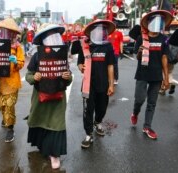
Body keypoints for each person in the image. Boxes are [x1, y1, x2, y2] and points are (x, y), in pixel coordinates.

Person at [25, 23, 72, 169]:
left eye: (55, 36)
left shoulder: (62, 56)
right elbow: (28, 75)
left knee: (56, 124)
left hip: (58, 98)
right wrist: (35, 77)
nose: (53, 41)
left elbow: (69, 79)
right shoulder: (37, 56)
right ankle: (43, 147)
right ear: (43, 40)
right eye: (49, 37)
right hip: (41, 97)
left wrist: (67, 76)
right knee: (41, 121)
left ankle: (55, 154)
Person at [130, 10, 172, 139]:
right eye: (155, 20)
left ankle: (147, 126)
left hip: (156, 76)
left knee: (152, 103)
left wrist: (166, 79)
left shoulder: (164, 39)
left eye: (160, 21)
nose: (157, 23)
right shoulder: (141, 38)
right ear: (148, 23)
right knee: (140, 99)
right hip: (142, 74)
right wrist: (140, 52)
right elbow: (137, 56)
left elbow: (164, 58)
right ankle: (135, 113)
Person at [77, 19, 115, 149]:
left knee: (102, 108)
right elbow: (79, 63)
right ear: (91, 32)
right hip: (88, 84)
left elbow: (110, 66)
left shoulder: (108, 47)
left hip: (103, 83)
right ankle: (88, 134)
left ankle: (98, 122)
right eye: (96, 30)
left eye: (102, 30)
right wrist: (80, 67)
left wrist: (111, 84)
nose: (99, 32)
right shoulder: (85, 46)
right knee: (88, 110)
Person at [0, 18, 25, 143]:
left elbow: (21, 62)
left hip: (11, 81)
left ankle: (10, 128)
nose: (5, 34)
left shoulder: (17, 47)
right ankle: (5, 118)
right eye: (4, 31)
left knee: (9, 105)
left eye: (8, 32)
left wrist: (15, 62)